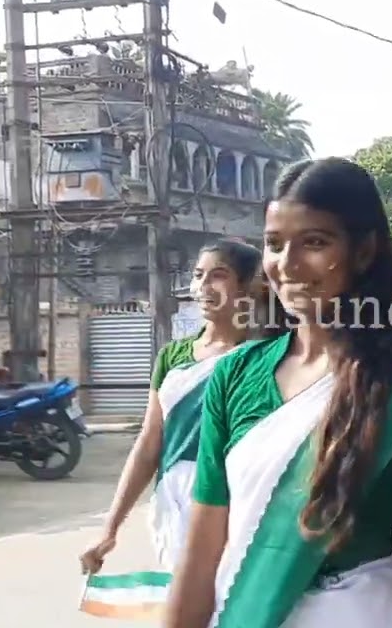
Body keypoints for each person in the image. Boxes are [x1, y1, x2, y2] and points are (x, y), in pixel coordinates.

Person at [162, 158, 392, 628]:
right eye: (273, 244)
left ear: (364, 250)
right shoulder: (233, 377)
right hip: (246, 609)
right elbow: (202, 550)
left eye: (314, 242)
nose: (287, 265)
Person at [80, 241, 261, 574]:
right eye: (198, 275)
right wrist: (110, 529)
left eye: (218, 276)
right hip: (173, 506)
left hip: (235, 507)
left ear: (248, 285)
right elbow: (149, 444)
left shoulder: (263, 357)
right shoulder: (172, 357)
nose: (204, 287)